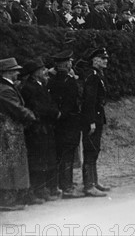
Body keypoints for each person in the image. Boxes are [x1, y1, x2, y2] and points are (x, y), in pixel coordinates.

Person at [19, 57, 62, 203]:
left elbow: (49, 102)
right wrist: (54, 113)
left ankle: (44, 189)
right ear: (34, 72)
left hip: (45, 127)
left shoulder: (41, 85)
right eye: (42, 69)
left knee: (46, 158)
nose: (45, 72)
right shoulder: (28, 88)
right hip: (37, 128)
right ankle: (38, 190)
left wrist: (55, 111)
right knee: (38, 159)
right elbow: (37, 107)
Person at [47, 50, 84, 198]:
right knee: (68, 155)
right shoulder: (70, 82)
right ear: (67, 64)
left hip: (57, 123)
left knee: (59, 155)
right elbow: (72, 103)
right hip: (70, 123)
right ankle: (67, 187)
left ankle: (59, 185)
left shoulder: (51, 81)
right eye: (70, 62)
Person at [0, 58, 36, 211]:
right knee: (10, 165)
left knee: (11, 164)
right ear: (8, 72)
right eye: (15, 70)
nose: (18, 73)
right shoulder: (5, 89)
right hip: (8, 131)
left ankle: (11, 198)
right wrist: (30, 116)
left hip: (9, 130)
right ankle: (8, 200)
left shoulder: (6, 87)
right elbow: (16, 108)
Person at [81, 48, 111, 197]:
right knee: (90, 151)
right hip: (92, 119)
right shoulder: (92, 76)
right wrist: (91, 121)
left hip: (97, 117)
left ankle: (94, 181)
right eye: (102, 58)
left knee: (95, 150)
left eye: (106, 58)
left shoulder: (98, 75)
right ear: (94, 60)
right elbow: (89, 101)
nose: (105, 60)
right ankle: (88, 185)